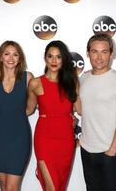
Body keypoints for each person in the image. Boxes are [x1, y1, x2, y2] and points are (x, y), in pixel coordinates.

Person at [79, 33, 116, 191]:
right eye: (94, 51)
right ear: (88, 53)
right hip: (86, 148)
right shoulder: (84, 78)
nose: (99, 57)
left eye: (104, 52)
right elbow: (82, 110)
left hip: (110, 151)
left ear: (111, 54)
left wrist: (112, 150)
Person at [26, 40, 80, 191]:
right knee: (51, 187)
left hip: (66, 139)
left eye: (58, 57)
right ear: (45, 58)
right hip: (44, 138)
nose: (54, 61)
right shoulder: (35, 83)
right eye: (50, 56)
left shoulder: (72, 82)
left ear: (64, 60)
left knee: (60, 186)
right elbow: (29, 110)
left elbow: (80, 110)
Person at [0, 41, 33, 191]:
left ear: (20, 58)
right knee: (3, 187)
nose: (11, 58)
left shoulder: (27, 78)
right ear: (0, 57)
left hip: (19, 139)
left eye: (15, 54)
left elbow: (31, 108)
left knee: (12, 188)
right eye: (7, 54)